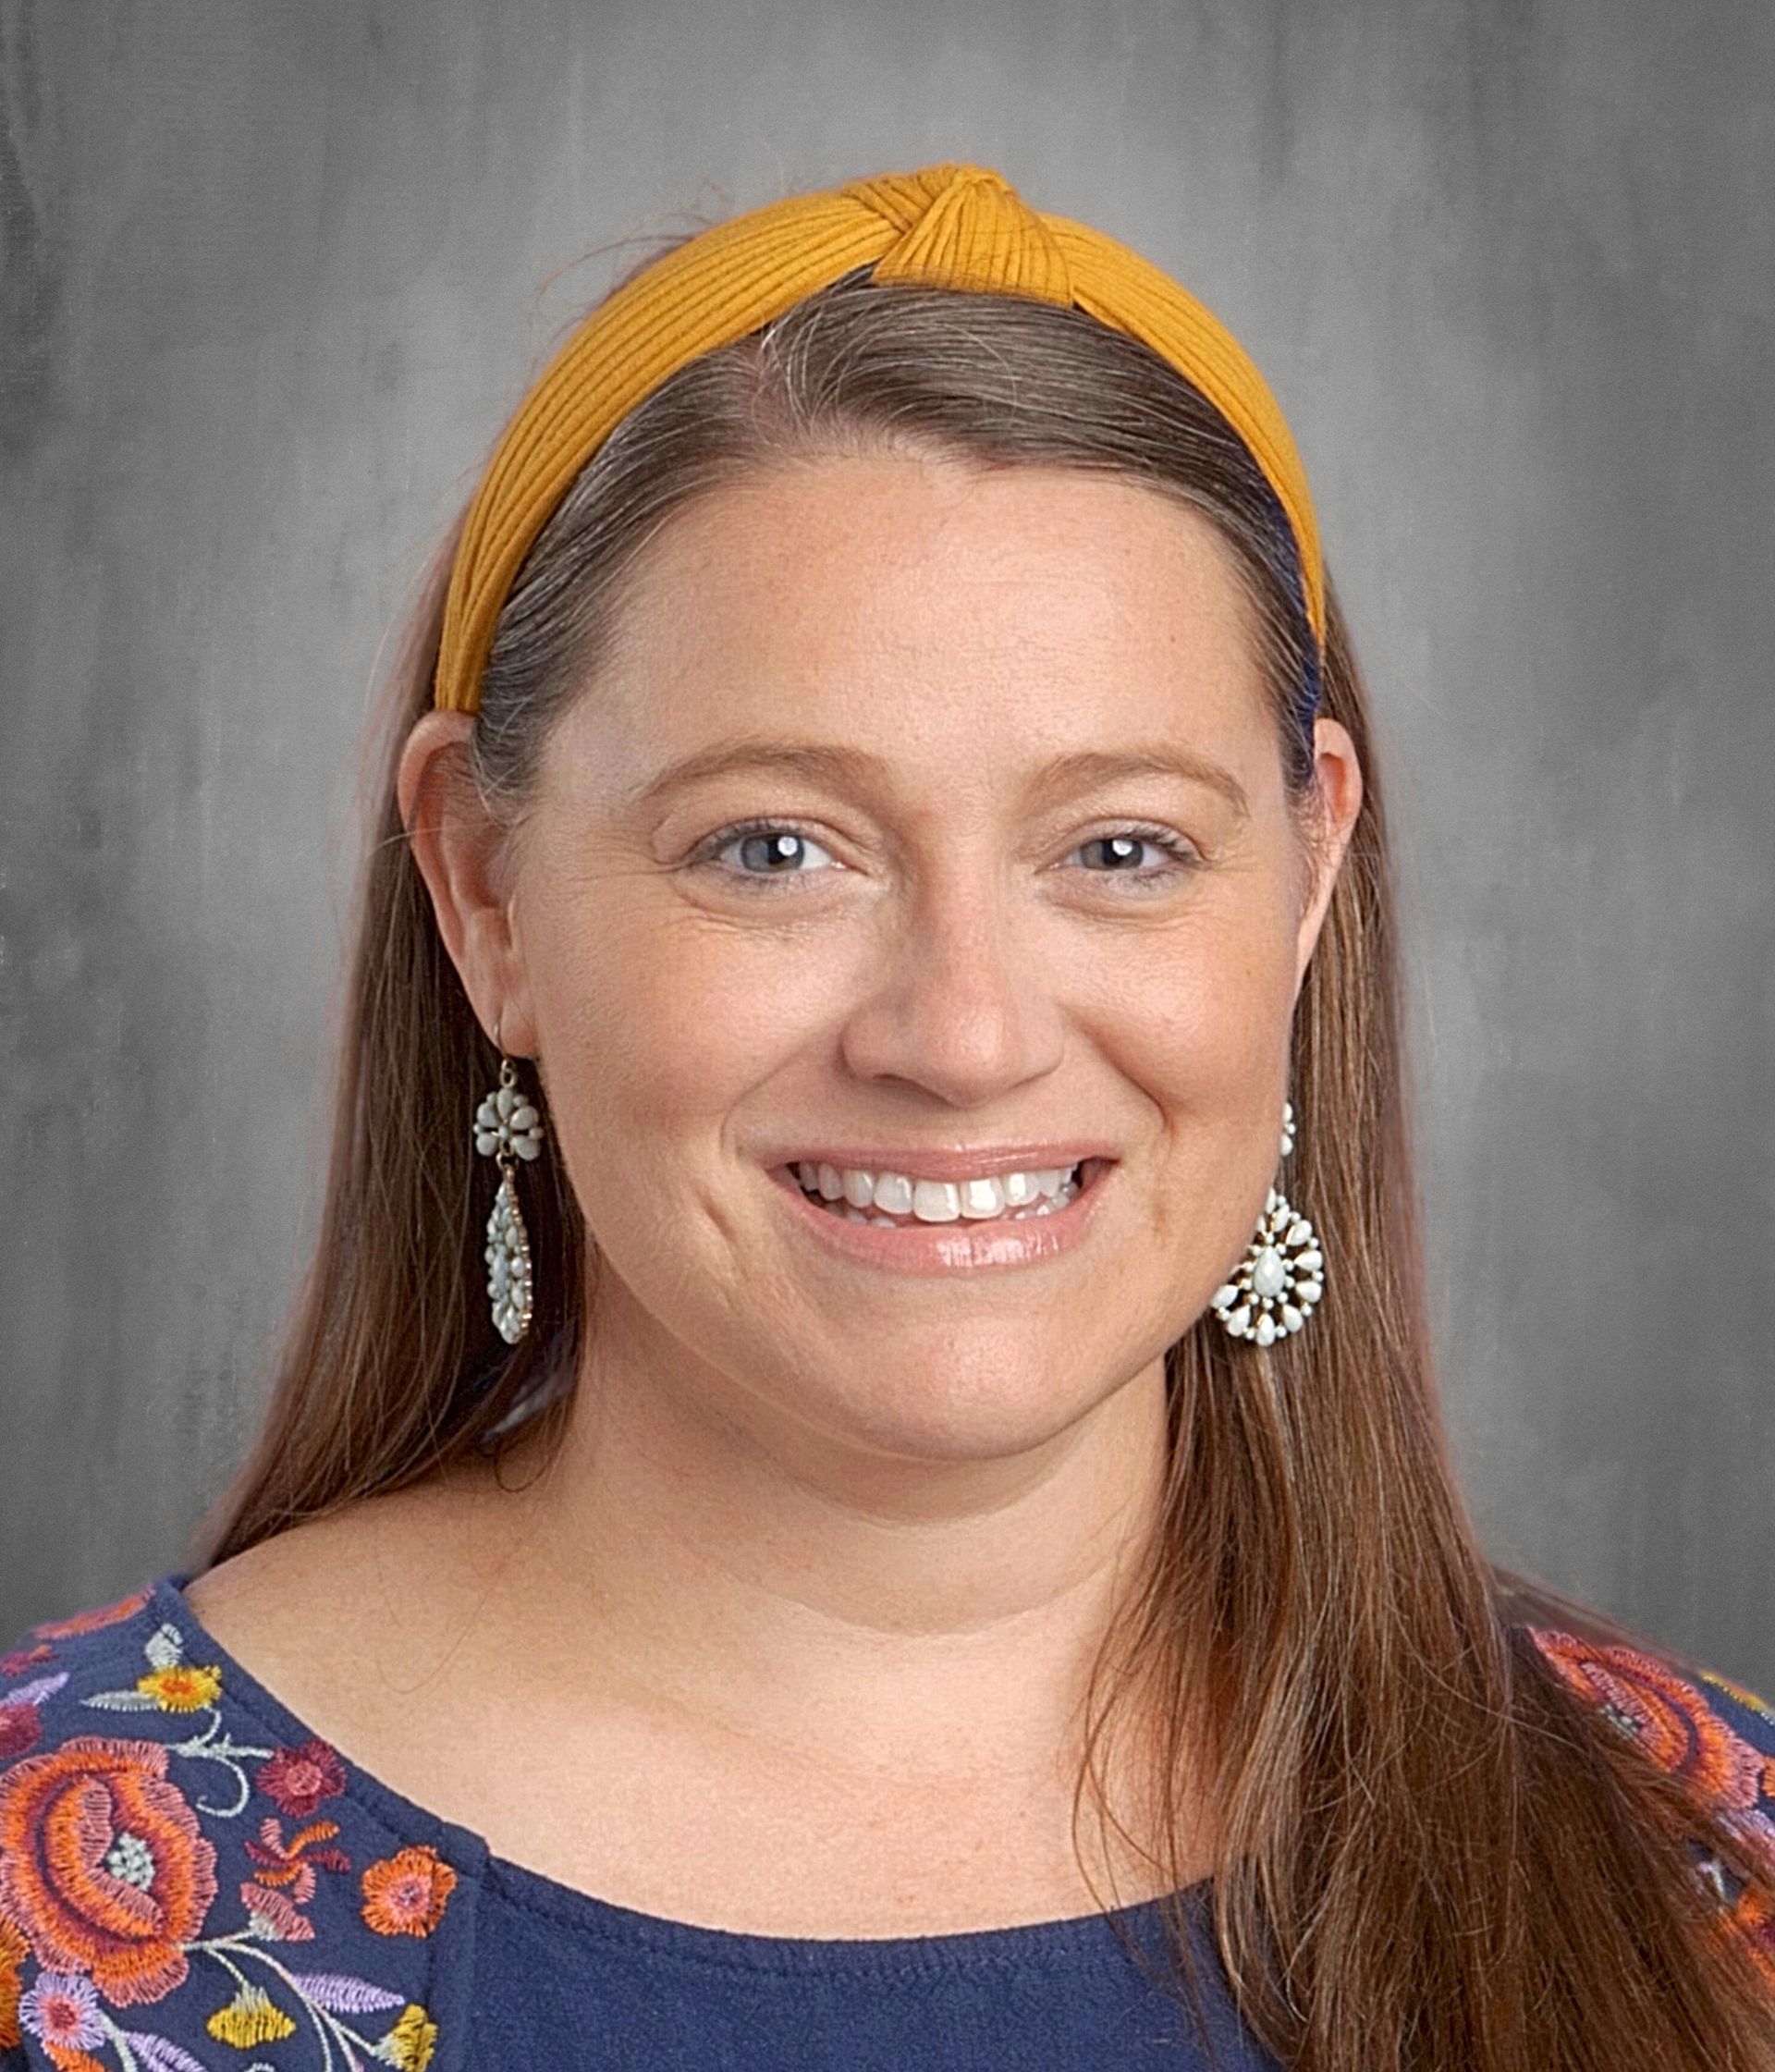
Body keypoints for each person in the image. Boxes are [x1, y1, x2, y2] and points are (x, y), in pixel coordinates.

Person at [2, 162, 1771, 2072]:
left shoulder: (1710, 1863)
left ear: (1308, 876)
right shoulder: (58, 1923)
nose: (966, 1033)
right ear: (485, 893)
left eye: (1121, 847)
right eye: (774, 848)